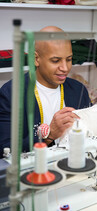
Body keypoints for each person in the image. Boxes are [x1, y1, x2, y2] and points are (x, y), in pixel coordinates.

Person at [0, 26, 91, 158]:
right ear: (36, 59)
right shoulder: (11, 94)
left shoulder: (78, 90)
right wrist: (48, 135)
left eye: (69, 59)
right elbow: (4, 149)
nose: (65, 68)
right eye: (55, 60)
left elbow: (92, 130)